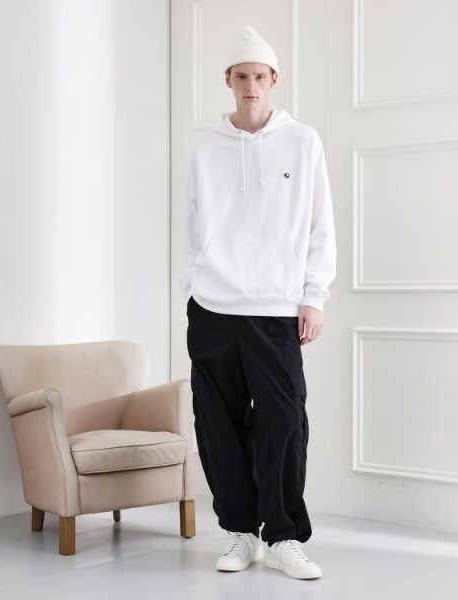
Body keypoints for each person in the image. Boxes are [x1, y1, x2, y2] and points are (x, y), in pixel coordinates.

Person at [178, 24, 336, 580]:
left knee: (284, 423)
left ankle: (285, 536)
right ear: (228, 80)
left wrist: (314, 296)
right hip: (213, 307)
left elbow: (320, 224)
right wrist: (192, 286)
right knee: (217, 425)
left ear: (274, 80)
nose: (251, 86)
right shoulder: (205, 148)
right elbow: (193, 225)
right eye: (241, 76)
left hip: (276, 307)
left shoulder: (303, 141)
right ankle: (241, 533)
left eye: (260, 77)